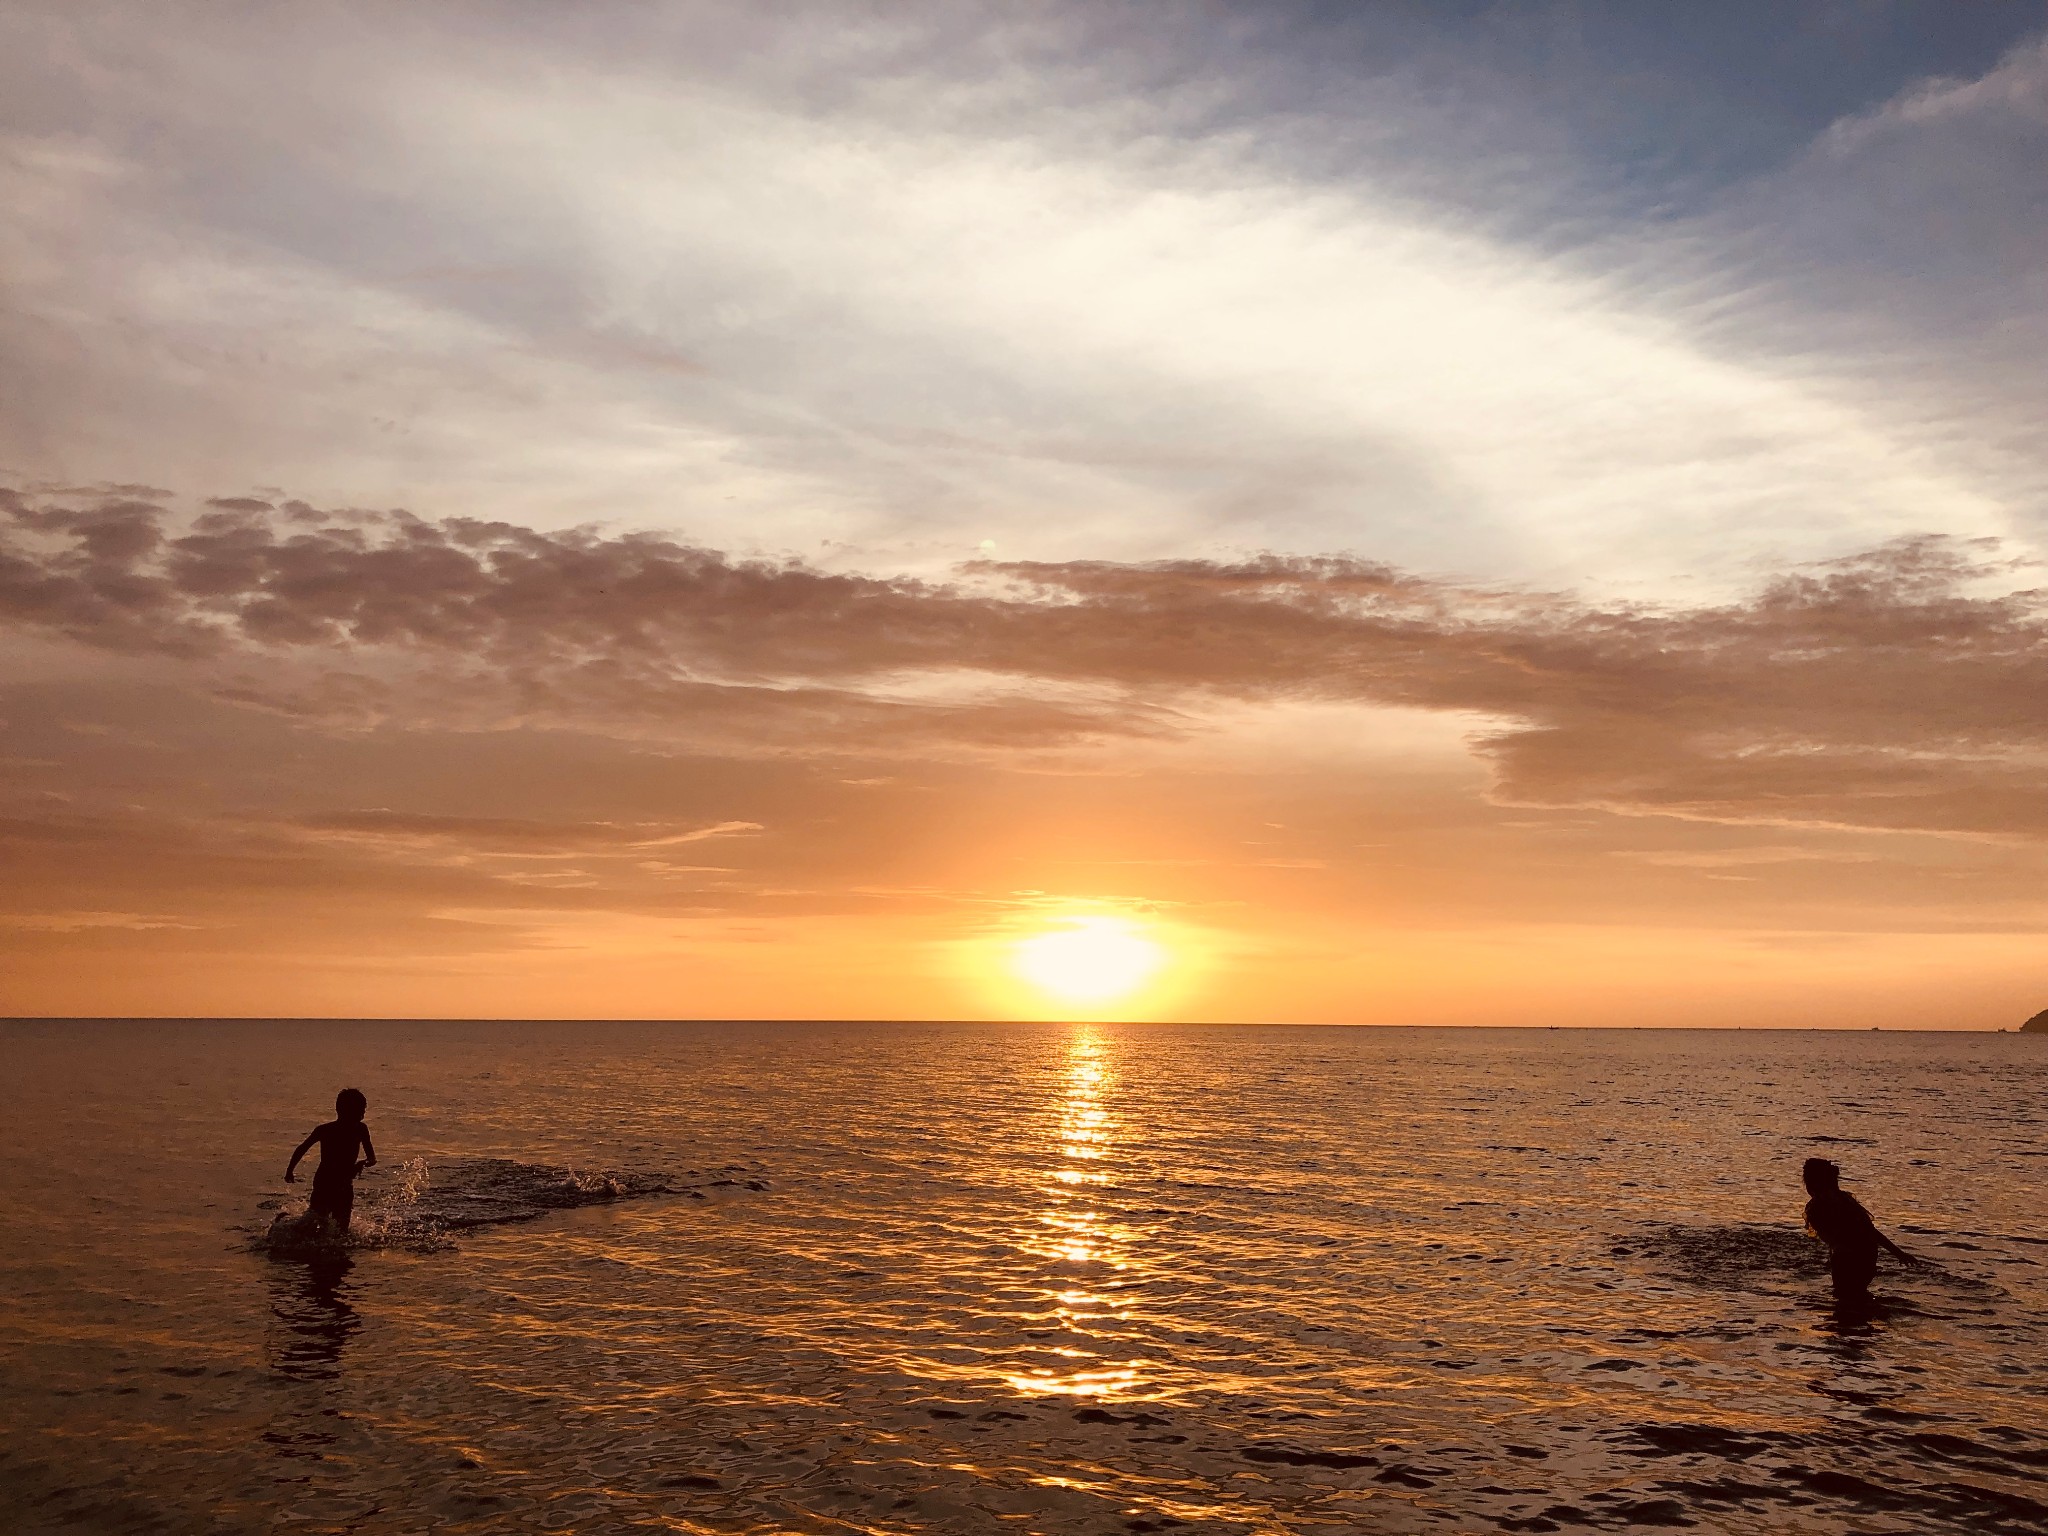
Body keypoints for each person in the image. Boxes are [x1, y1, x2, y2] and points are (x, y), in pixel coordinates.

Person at [1801, 1157, 1919, 1301]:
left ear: (1811, 1184)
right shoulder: (1845, 1201)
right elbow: (1870, 1231)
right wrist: (1899, 1253)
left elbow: (1838, 1237)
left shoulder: (1819, 1206)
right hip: (1868, 1254)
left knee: (1844, 1299)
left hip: (1846, 1258)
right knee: (1856, 1296)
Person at [285, 1088, 378, 1236]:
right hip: (325, 1181)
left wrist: (363, 1163)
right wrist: (290, 1170)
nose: (364, 1113)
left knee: (341, 1227)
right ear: (346, 1110)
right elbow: (302, 1148)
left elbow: (372, 1158)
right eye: (361, 1109)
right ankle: (290, 1229)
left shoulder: (361, 1129)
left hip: (344, 1183)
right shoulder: (325, 1130)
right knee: (317, 1219)